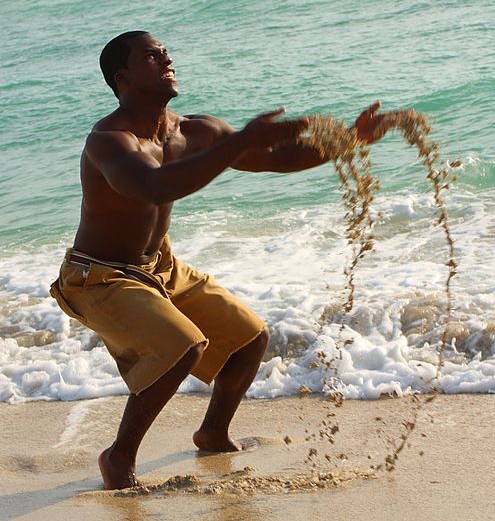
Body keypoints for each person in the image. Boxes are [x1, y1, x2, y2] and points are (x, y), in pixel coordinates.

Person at [49, 30, 386, 490]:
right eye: (152, 55)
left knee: (249, 338)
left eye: (165, 50)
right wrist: (236, 142)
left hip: (159, 266)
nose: (166, 56)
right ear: (123, 78)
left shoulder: (195, 130)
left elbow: (275, 158)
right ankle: (119, 455)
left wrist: (350, 138)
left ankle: (213, 432)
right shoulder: (109, 141)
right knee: (184, 345)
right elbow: (154, 186)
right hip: (99, 277)